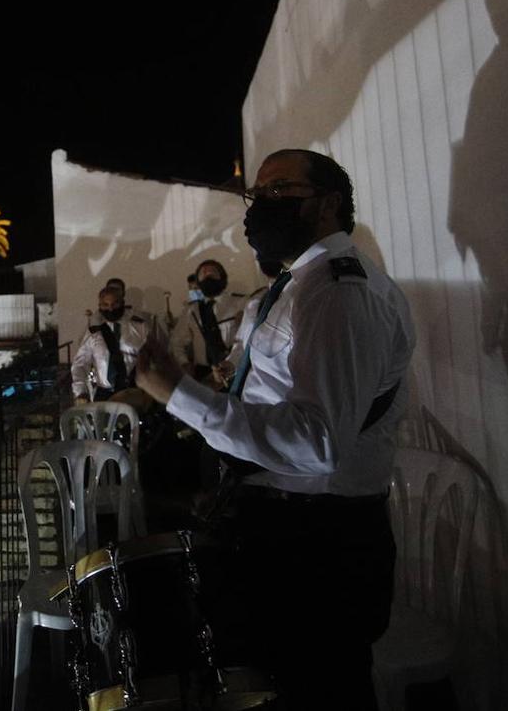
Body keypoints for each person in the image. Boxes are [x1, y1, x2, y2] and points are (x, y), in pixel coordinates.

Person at [136, 149, 414, 710]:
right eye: (256, 195)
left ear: (329, 204)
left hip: (322, 544)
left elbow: (319, 442)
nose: (261, 206)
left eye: (280, 191)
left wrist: (179, 395)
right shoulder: (298, 285)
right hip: (289, 527)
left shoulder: (338, 293)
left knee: (323, 689)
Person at [169, 259, 248, 388]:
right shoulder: (191, 310)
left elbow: (246, 339)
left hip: (237, 370)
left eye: (212, 271)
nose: (207, 273)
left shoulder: (241, 303)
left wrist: (232, 362)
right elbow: (176, 342)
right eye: (203, 273)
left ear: (222, 277)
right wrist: (184, 363)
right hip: (205, 376)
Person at [72, 285, 156, 403]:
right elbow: (80, 364)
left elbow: (154, 359)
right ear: (99, 306)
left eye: (115, 304)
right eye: (105, 305)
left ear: (122, 303)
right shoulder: (93, 332)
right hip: (104, 394)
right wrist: (80, 391)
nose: (110, 309)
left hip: (133, 393)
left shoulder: (139, 328)